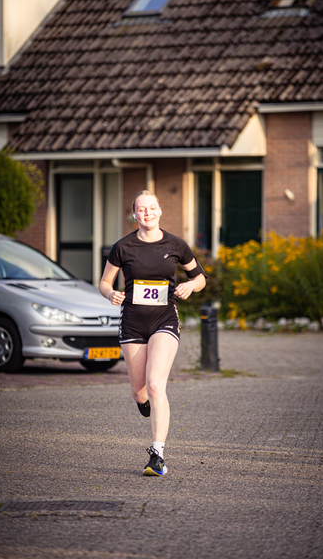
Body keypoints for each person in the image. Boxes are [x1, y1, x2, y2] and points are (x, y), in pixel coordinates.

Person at [99, 190, 206, 476]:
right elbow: (104, 281)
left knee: (156, 384)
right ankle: (143, 402)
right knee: (139, 389)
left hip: (164, 319)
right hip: (132, 323)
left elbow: (199, 277)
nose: (147, 213)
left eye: (151, 208)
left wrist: (189, 286)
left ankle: (157, 454)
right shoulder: (123, 247)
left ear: (159, 211)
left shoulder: (176, 244)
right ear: (134, 215)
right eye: (141, 209)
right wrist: (111, 293)